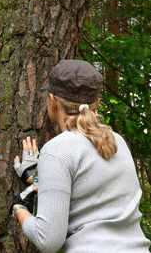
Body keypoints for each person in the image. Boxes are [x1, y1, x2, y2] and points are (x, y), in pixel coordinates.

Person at [10, 60, 151, 253]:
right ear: (97, 104)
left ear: (52, 102)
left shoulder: (57, 150)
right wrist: (39, 174)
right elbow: (91, 190)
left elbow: (48, 240)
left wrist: (18, 208)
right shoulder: (117, 141)